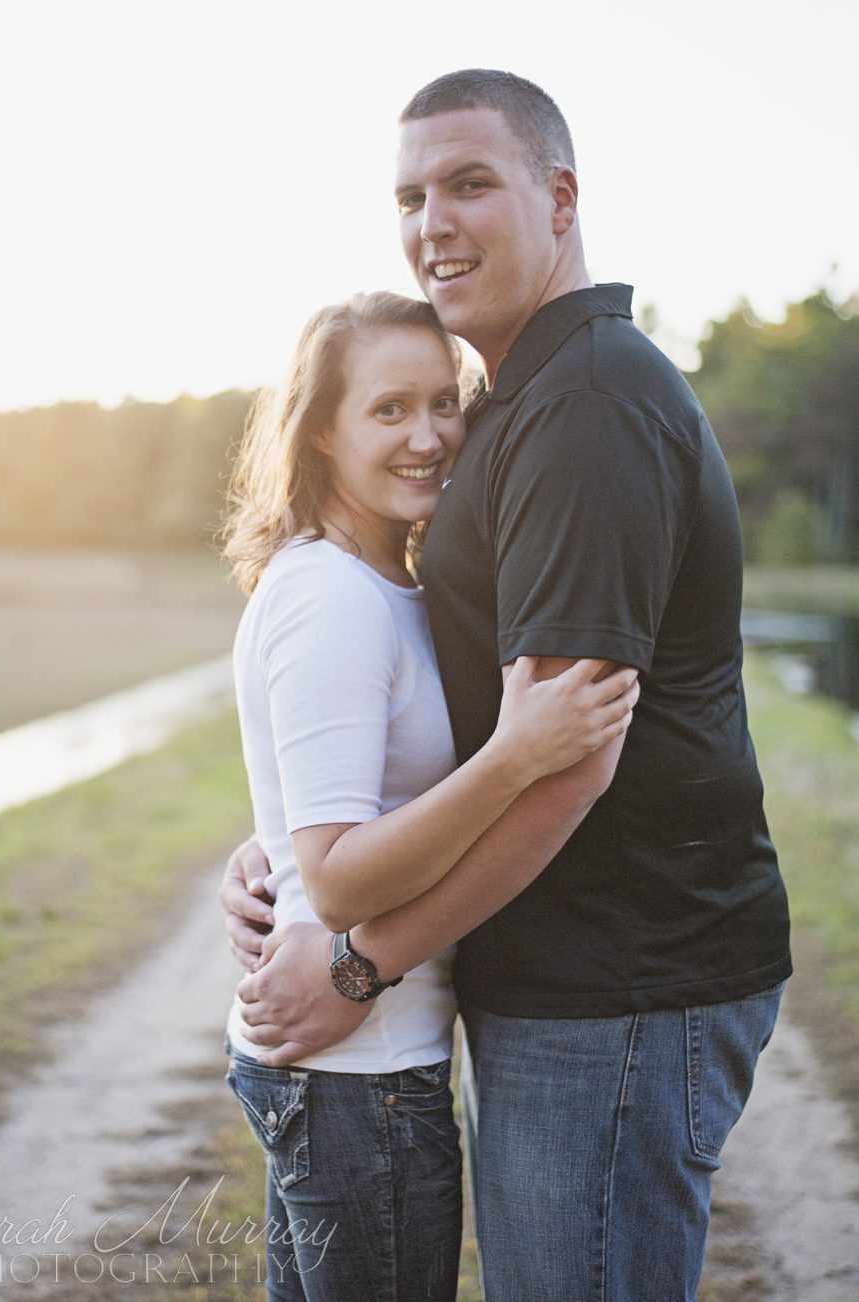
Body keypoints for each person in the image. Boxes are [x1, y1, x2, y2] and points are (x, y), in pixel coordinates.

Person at [222, 71, 792, 1302]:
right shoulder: (520, 399)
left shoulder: (585, 403)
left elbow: (566, 759)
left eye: (470, 183)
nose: (433, 221)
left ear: (560, 196)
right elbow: (456, 709)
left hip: (621, 987)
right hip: (570, 981)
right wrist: (286, 845)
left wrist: (359, 964)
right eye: (410, 195)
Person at [220, 289, 639, 1302]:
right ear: (320, 429)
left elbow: (328, 808)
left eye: (441, 402)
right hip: (359, 1079)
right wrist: (512, 755)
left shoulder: (377, 584)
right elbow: (337, 876)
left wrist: (263, 848)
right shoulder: (332, 598)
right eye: (387, 410)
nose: (426, 436)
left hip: (357, 1074)